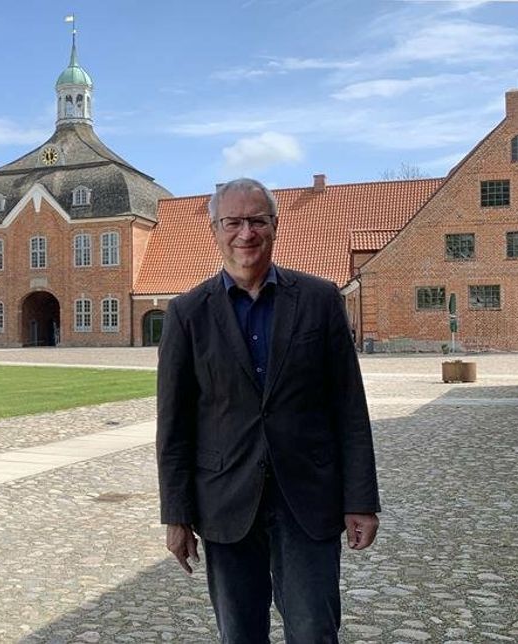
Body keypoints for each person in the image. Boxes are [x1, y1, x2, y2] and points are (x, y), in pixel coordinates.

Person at [156, 178, 380, 643]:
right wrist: (176, 516)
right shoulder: (187, 313)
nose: (246, 233)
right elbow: (174, 427)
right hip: (225, 501)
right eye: (233, 222)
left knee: (314, 630)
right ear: (215, 230)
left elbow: (349, 408)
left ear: (275, 227)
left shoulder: (319, 300)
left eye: (257, 221)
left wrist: (360, 500)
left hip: (308, 496)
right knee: (240, 634)